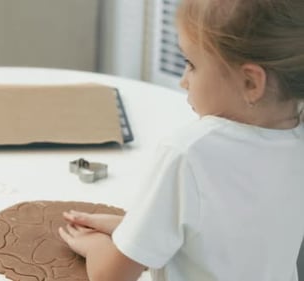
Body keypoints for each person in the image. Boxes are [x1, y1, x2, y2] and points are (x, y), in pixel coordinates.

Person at [58, 0, 304, 280]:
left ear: (250, 82)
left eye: (191, 64)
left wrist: (97, 247)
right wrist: (135, 230)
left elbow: (111, 276)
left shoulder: (189, 153)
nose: (183, 81)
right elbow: (234, 236)